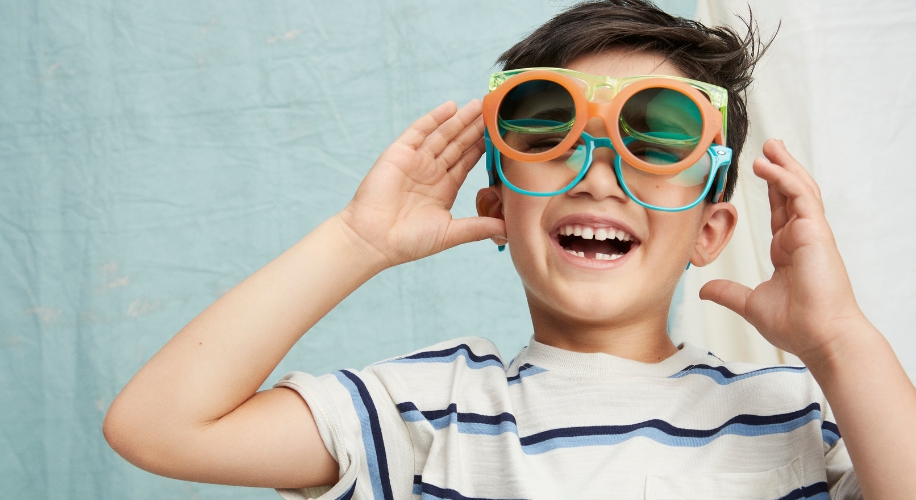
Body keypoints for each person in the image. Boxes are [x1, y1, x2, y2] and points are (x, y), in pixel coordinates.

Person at [103, 1, 916, 498]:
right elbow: (160, 428)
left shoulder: (795, 411)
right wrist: (357, 242)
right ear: (495, 202)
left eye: (656, 136)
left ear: (710, 232)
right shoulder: (428, 413)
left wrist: (839, 340)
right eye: (549, 129)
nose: (600, 175)